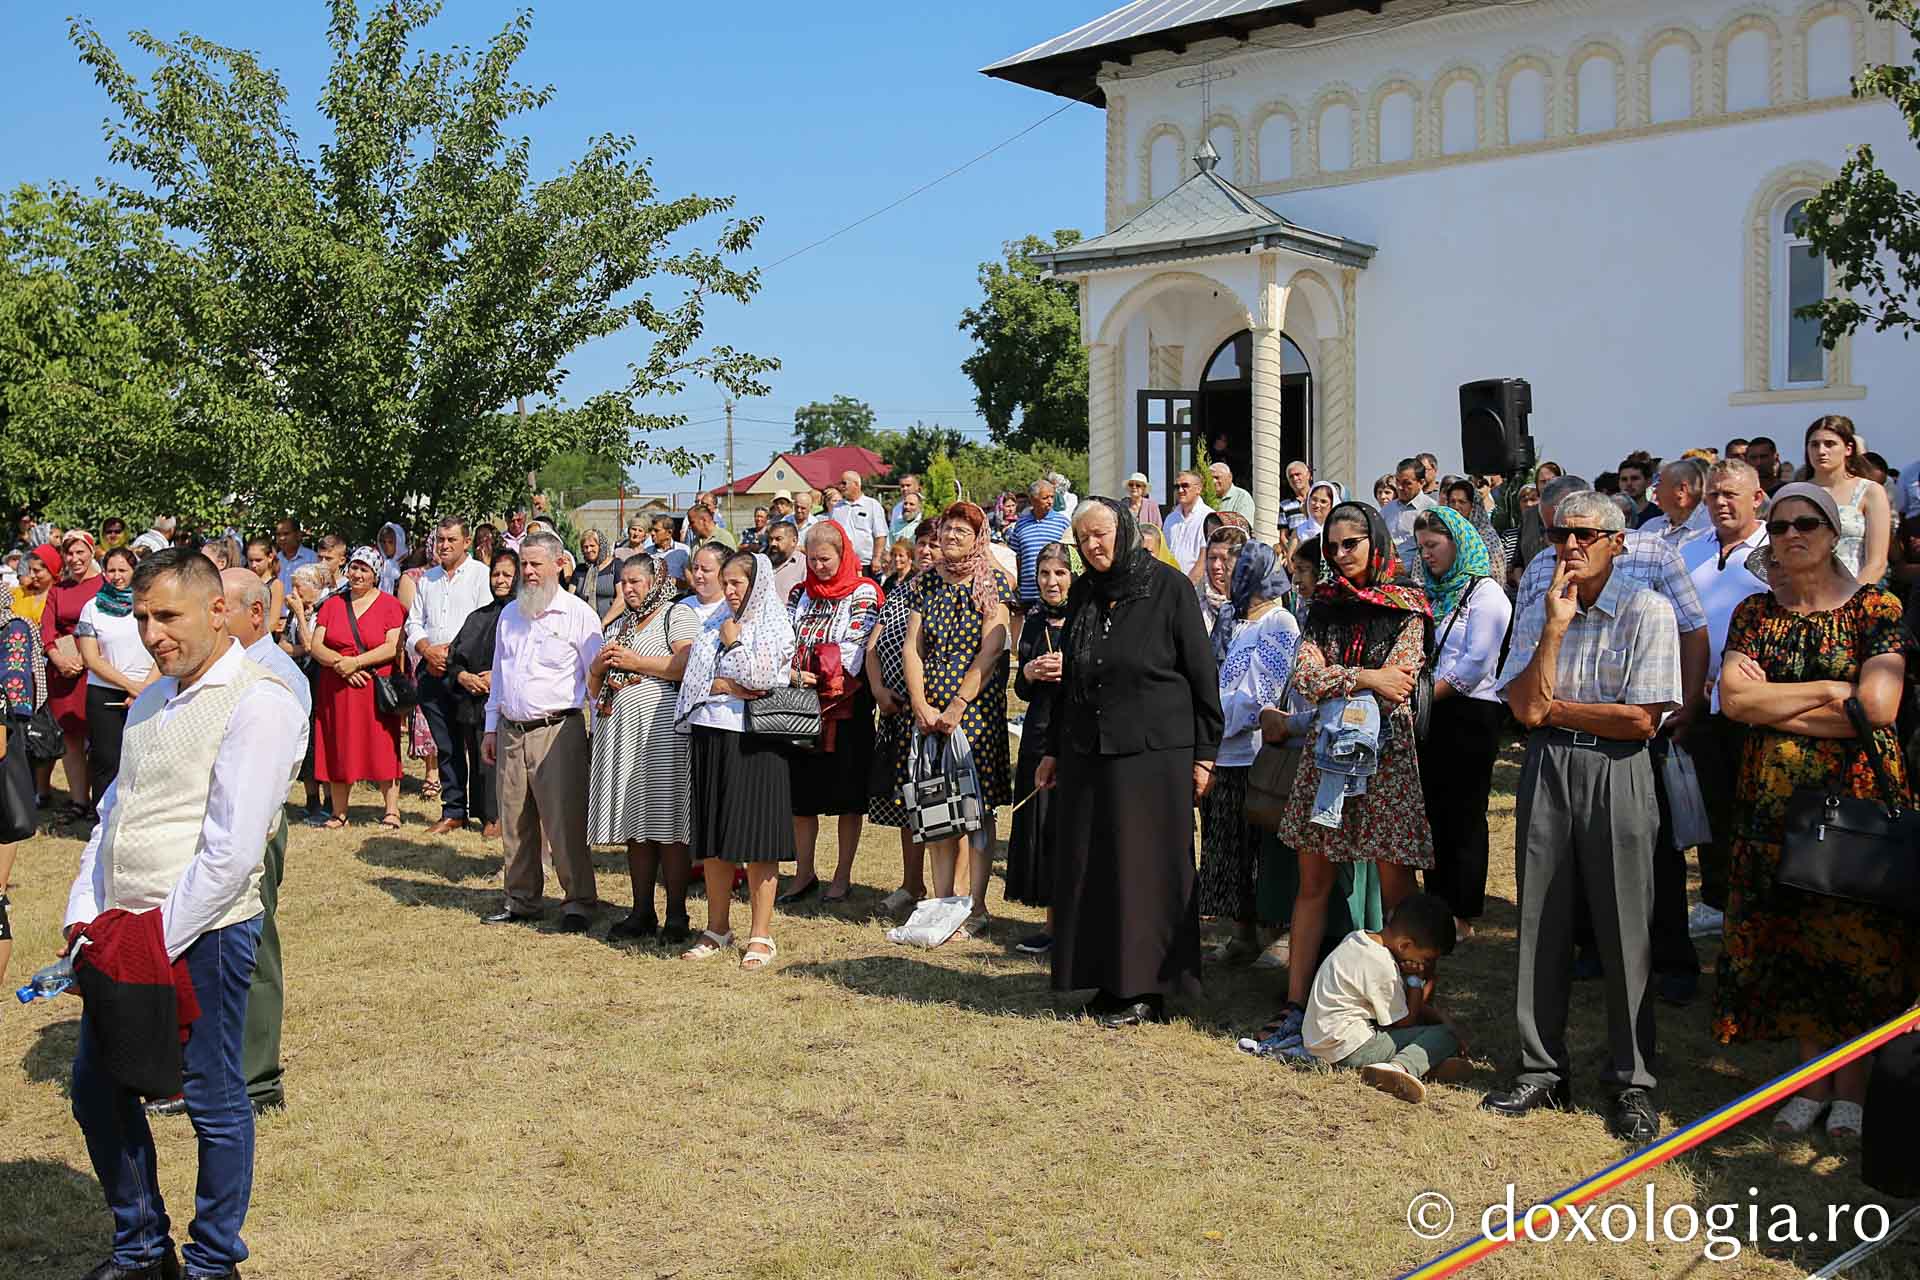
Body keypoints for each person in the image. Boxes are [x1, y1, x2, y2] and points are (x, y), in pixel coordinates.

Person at [62, 548, 305, 1280]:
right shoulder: (147, 698)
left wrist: (150, 940)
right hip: (125, 933)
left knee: (212, 1095)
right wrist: (86, 915)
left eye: (168, 616)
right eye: (141, 619)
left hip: (205, 933)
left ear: (217, 612)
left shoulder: (259, 702)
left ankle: (211, 1261)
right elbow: (112, 815)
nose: (153, 633)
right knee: (97, 1090)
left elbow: (231, 853)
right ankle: (141, 1250)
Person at [1715, 482, 1914, 1140]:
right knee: (1792, 937)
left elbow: (1879, 709)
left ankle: (1852, 1089)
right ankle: (1810, 1081)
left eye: (1806, 522)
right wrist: (1835, 689)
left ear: (1834, 534)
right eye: (1778, 526)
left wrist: (1785, 698)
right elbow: (1737, 704)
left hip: (1854, 800)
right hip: (1771, 806)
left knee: (1856, 944)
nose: (1791, 534)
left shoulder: (1876, 608)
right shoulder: (1753, 613)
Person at [1484, 491, 1680, 1143]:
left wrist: (1556, 709)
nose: (1570, 546)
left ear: (1616, 544)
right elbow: (1519, 706)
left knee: (1626, 926)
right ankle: (1541, 1067)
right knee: (1540, 917)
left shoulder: (1649, 610)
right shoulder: (1545, 606)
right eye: (1561, 534)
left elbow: (1641, 718)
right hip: (1548, 768)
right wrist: (1553, 629)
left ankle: (1632, 1080)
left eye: (1586, 536)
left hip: (1620, 771)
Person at [1036, 498, 1221, 1026]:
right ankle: (1106, 978)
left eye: (1101, 534)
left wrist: (1205, 754)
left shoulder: (1168, 588)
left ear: (1123, 530)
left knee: (1145, 871)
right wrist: (1052, 748)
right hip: (1088, 750)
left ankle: (1146, 988)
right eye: (1083, 538)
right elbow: (1070, 677)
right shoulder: (1086, 594)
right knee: (1093, 866)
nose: (1093, 546)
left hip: (1154, 754)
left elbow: (1201, 673)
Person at [1265, 501, 1434, 1045]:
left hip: (1387, 758)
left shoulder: (1406, 603)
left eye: (1351, 544)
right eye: (1332, 547)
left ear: (1375, 542)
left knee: (1398, 896)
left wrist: (1352, 679)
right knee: (1311, 883)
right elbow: (1305, 677)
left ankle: (1409, 1012)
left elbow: (1403, 679)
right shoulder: (1320, 606)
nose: (1340, 556)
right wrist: (1366, 676)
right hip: (1326, 760)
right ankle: (1295, 1005)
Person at [216, 568, 310, 1114]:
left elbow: (272, 773)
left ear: (255, 614)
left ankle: (256, 1079)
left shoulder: (275, 677)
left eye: (219, 608)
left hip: (256, 826)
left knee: (250, 941)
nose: (211, 619)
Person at [675, 551, 798, 969]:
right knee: (714, 836)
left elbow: (763, 678)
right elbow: (695, 682)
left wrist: (735, 642)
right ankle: (717, 926)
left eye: (736, 583)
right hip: (712, 734)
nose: (727, 591)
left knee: (759, 839)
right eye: (724, 582)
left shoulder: (774, 621)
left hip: (757, 739)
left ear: (756, 583)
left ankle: (760, 935)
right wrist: (723, 682)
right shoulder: (713, 621)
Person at [481, 531, 603, 931]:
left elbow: (595, 678)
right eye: (524, 564)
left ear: (558, 565)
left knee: (563, 822)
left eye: (536, 564)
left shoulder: (579, 614)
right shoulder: (510, 615)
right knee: (514, 820)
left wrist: (598, 734)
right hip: (511, 729)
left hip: (558, 730)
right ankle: (521, 899)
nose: (529, 572)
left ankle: (578, 901)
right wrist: (490, 728)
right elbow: (499, 676)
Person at [903, 503, 1015, 935]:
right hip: (929, 708)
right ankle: (941, 900)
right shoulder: (924, 584)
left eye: (961, 531)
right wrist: (920, 703)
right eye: (947, 528)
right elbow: (913, 647)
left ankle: (977, 906)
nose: (951, 536)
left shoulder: (993, 584)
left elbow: (992, 649)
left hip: (976, 710)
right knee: (935, 803)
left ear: (977, 537)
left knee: (977, 809)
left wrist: (958, 705)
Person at [1678, 459, 1770, 944]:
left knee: (1754, 808)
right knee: (1710, 806)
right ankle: (1715, 898)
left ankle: (1760, 903)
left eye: (1731, 494)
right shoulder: (1690, 551)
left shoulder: (1776, 553)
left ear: (1757, 498)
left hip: (1756, 704)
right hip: (1700, 700)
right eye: (1713, 494)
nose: (1720, 503)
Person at [588, 553, 698, 944]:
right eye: (624, 582)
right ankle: (641, 910)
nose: (629, 589)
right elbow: (593, 685)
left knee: (667, 825)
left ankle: (677, 914)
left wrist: (636, 662)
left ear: (655, 582)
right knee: (636, 824)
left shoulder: (676, 614)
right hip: (621, 734)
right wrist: (600, 667)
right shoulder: (619, 624)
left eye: (637, 581)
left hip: (661, 733)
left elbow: (685, 663)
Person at [1411, 507, 1510, 937]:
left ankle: (1464, 910)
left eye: (1433, 546)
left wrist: (1423, 698)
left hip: (1469, 712)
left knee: (1464, 812)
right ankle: (1436, 901)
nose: (1427, 556)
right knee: (1432, 809)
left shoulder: (1487, 595)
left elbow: (1475, 663)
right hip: (1431, 711)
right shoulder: (1433, 593)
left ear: (1457, 543)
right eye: (1421, 548)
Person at [1203, 541, 1300, 963]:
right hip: (1219, 751)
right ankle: (1240, 933)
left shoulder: (1279, 623)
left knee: (1259, 844)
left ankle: (1273, 932)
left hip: (1253, 752)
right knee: (1226, 844)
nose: (1225, 570)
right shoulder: (1232, 619)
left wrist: (1210, 720)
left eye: (1237, 565)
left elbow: (1260, 692)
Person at [777, 521, 881, 904]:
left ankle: (842, 874)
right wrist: (792, 669)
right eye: (813, 559)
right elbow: (785, 638)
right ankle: (804, 872)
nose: (819, 566)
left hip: (846, 708)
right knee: (801, 798)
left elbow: (853, 651)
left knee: (846, 797)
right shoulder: (799, 593)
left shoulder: (864, 592)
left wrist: (813, 667)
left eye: (826, 558)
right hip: (801, 707)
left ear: (842, 555)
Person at [1301, 894, 1467, 1104]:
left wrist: (1442, 1018)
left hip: (1321, 1043)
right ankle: (1398, 1069)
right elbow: (1406, 1021)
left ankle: (1431, 1066)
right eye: (1427, 959)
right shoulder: (1383, 966)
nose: (1425, 965)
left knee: (1439, 1031)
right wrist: (1415, 981)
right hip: (1348, 1050)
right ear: (1405, 945)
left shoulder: (1357, 939)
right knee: (1444, 1036)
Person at [867, 521, 942, 915]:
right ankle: (912, 885)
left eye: (935, 544)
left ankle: (950, 892)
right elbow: (872, 648)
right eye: (922, 545)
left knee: (940, 805)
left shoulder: (949, 593)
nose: (927, 552)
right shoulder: (898, 594)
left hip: (935, 716)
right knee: (906, 806)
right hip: (896, 714)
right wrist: (879, 691)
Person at [404, 517, 494, 836]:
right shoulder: (427, 580)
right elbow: (413, 623)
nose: (444, 545)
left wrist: (451, 654)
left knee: (477, 743)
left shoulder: (481, 577)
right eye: (440, 539)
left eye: (451, 540)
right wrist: (427, 649)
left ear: (466, 542)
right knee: (447, 745)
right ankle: (454, 811)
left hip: (466, 672)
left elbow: (485, 623)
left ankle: (489, 816)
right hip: (432, 670)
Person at [1006, 542, 1074, 954]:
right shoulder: (1033, 621)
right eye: (1045, 574)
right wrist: (1030, 670)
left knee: (1070, 828)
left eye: (1060, 574)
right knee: (1042, 828)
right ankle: (1051, 924)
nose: (1052, 582)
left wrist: (1071, 667)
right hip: (1038, 732)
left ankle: (1075, 923)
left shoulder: (1087, 616)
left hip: (1074, 737)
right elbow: (1021, 689)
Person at [308, 547, 406, 829]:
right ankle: (339, 812)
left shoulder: (389, 605)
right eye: (354, 567)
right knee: (338, 743)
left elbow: (391, 646)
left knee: (383, 744)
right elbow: (317, 645)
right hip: (336, 687)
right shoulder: (332, 604)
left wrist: (357, 663)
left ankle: (391, 810)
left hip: (374, 685)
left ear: (375, 574)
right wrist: (342, 665)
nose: (357, 574)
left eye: (364, 569)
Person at [445, 548, 516, 841]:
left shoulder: (523, 616)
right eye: (495, 574)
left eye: (507, 575)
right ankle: (485, 814)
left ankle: (500, 816)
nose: (500, 580)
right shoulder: (478, 617)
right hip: (473, 702)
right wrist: (463, 676)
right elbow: (454, 656)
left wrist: (497, 676)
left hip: (509, 704)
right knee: (479, 758)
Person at [76, 547, 154, 798]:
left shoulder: (148, 603)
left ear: (135, 571)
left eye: (123, 570)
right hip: (104, 693)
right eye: (111, 570)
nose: (117, 576)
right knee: (106, 761)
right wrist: (131, 687)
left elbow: (161, 650)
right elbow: (91, 658)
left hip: (150, 688)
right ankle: (102, 824)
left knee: (144, 760)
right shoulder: (92, 608)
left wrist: (143, 690)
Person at [46, 529, 105, 819]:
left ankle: (101, 802)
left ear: (91, 551)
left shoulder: (105, 584)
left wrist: (87, 657)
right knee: (71, 738)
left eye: (80, 551)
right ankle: (78, 800)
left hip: (97, 669)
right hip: (64, 672)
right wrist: (58, 658)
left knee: (98, 738)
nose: (74, 558)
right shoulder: (59, 588)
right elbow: (48, 627)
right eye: (69, 552)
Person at [1802, 415, 1891, 585]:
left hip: (1857, 593)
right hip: (1807, 594)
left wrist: (1849, 601)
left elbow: (1877, 563)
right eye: (1814, 444)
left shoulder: (1870, 491)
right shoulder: (1798, 492)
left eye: (1830, 444)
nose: (1821, 451)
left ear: (1848, 448)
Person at [1006, 478, 1071, 609]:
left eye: (1052, 497)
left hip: (1055, 593)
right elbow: (1015, 557)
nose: (1050, 501)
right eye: (1045, 498)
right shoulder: (1021, 524)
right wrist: (1016, 587)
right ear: (1033, 500)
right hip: (1028, 594)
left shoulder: (1063, 523)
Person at [1379, 458, 1436, 568]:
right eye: (1398, 482)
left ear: (1421, 483)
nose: (1400, 487)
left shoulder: (1431, 510)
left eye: (1407, 483)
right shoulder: (1387, 510)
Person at [1160, 471, 1215, 581]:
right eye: (1177, 486)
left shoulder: (1208, 517)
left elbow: (1203, 559)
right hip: (1171, 584)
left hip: (1196, 589)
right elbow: (1164, 553)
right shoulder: (1170, 518)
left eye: (1185, 485)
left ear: (1198, 489)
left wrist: (1187, 588)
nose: (1180, 490)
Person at [831, 468, 889, 573]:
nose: (841, 486)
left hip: (865, 564)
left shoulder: (872, 505)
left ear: (856, 485)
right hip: (843, 563)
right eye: (841, 483)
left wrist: (876, 558)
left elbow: (880, 535)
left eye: (844, 483)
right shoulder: (837, 508)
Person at [1647, 457, 1712, 549]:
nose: (1654, 491)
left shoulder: (1712, 527)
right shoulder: (1649, 527)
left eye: (1660, 484)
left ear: (1681, 490)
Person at [572, 529, 621, 623]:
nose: (588, 550)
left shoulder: (616, 566)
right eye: (585, 547)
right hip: (583, 623)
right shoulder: (580, 570)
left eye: (592, 546)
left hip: (611, 624)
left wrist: (603, 623)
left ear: (601, 546)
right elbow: (571, 597)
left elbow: (621, 598)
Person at [272, 518, 318, 595]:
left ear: (298, 535)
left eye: (286, 534)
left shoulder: (312, 559)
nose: (281, 538)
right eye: (278, 534)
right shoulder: (275, 559)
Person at [765, 519, 805, 604]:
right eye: (770, 539)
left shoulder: (804, 565)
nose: (773, 544)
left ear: (794, 541)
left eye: (778, 539)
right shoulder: (763, 563)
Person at [1617, 451, 1658, 527]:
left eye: (1635, 478)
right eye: (1624, 479)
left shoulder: (1659, 516)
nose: (1629, 483)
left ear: (1648, 481)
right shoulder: (1610, 516)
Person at [374, 522, 409, 594]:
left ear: (399, 542)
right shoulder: (378, 564)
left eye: (390, 542)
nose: (386, 546)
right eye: (383, 542)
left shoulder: (407, 565)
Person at [1279, 461, 1314, 534]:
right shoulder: (1284, 505)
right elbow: (1283, 536)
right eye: (1291, 476)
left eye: (1297, 474)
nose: (1295, 478)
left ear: (1308, 475)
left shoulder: (1319, 499)